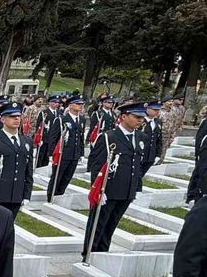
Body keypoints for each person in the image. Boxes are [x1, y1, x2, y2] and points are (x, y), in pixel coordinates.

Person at [82, 102, 146, 257]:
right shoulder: (108, 137)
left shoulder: (140, 137)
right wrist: (98, 190)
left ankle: (102, 254)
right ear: (123, 117)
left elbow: (137, 165)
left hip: (127, 190)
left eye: (142, 118)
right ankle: (89, 254)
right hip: (108, 190)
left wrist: (137, 187)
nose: (140, 120)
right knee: (98, 225)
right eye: (136, 117)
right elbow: (97, 166)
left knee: (111, 225)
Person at [0, 102, 34, 218]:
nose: (17, 119)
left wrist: (26, 194)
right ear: (3, 119)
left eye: (18, 116)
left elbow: (28, 171)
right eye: (12, 116)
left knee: (9, 226)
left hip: (16, 194)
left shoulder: (27, 141)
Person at [46, 96, 86, 202]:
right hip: (62, 154)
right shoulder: (61, 120)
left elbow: (81, 138)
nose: (81, 106)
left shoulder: (82, 119)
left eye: (82, 104)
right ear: (70, 105)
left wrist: (81, 153)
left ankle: (59, 196)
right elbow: (53, 138)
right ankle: (51, 197)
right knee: (57, 177)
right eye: (78, 104)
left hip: (74, 154)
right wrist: (51, 154)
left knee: (67, 178)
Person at [141, 101, 163, 179]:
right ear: (147, 108)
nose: (157, 112)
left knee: (141, 175)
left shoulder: (158, 122)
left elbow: (159, 140)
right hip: (141, 154)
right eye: (154, 109)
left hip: (151, 155)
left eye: (158, 110)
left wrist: (158, 155)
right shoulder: (141, 121)